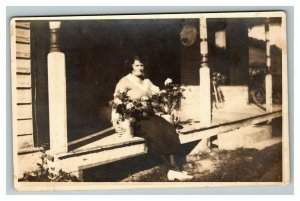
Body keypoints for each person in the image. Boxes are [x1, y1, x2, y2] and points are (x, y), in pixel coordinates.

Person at [111, 55, 193, 181]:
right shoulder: (124, 81)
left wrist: (172, 108)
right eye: (137, 65)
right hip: (135, 119)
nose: (140, 68)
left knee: (168, 128)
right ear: (131, 66)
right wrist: (115, 122)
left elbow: (159, 99)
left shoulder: (147, 82)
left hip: (150, 116)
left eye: (142, 65)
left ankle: (174, 170)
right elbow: (116, 102)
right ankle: (175, 169)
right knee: (156, 132)